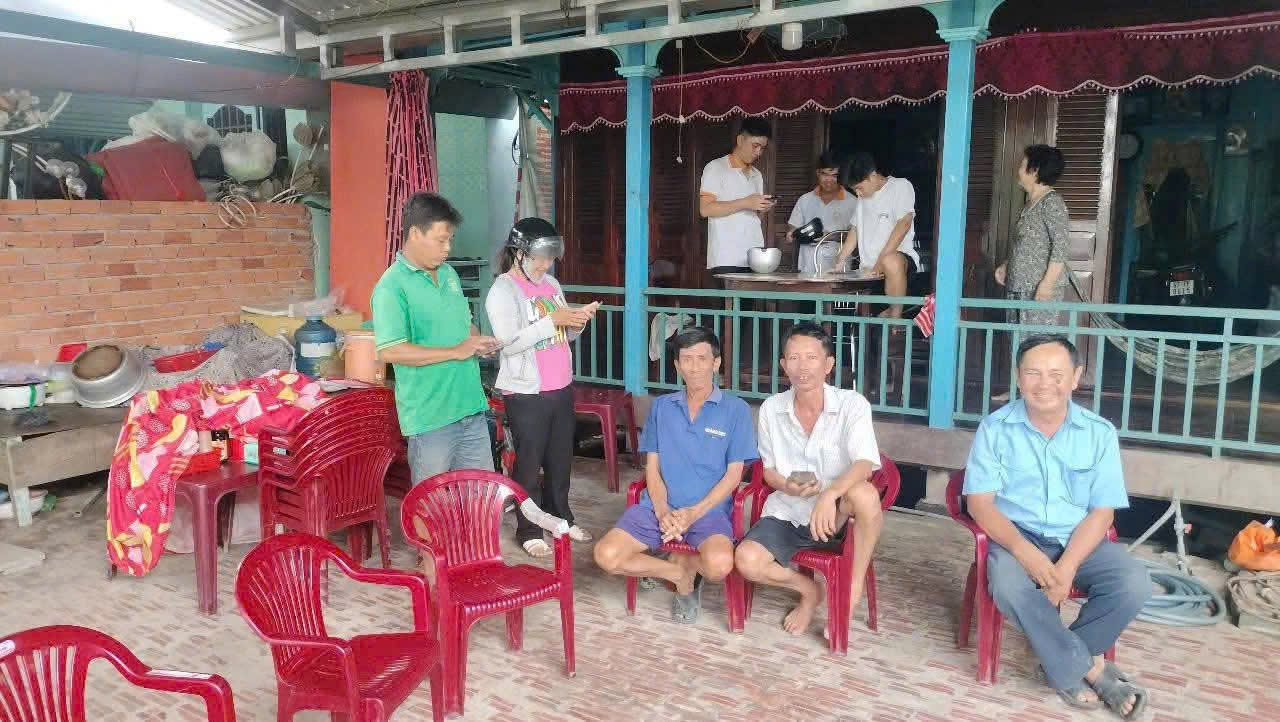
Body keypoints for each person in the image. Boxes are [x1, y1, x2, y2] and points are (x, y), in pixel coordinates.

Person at [963, 334, 1150, 719]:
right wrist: (1024, 552)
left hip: (1078, 540)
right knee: (1009, 586)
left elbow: (1102, 513)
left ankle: (1061, 662)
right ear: (1019, 378)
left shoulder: (1099, 433)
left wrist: (1066, 568)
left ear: (1076, 377)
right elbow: (979, 503)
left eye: (1056, 374)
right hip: (1016, 537)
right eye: (1033, 373)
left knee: (1134, 582)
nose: (1044, 384)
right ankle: (1091, 669)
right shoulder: (995, 429)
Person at [594, 327, 756, 624]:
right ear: (677, 366)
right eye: (687, 360)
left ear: (716, 363)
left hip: (708, 511)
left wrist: (694, 513)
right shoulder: (662, 407)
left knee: (719, 565)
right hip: (658, 508)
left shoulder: (736, 410)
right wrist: (661, 509)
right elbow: (652, 468)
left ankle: (683, 562)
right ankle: (680, 575)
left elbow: (734, 476)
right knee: (606, 555)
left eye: (702, 359)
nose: (694, 367)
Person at [734, 323, 885, 636]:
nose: (802, 367)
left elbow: (865, 464)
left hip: (837, 514)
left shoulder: (852, 404)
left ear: (828, 364)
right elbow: (769, 471)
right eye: (794, 358)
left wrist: (830, 495)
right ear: (783, 365)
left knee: (865, 495)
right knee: (747, 561)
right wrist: (787, 486)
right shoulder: (771, 409)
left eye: (811, 358)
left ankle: (851, 589)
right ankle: (810, 591)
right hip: (789, 511)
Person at [485, 217, 597, 557]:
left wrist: (577, 322)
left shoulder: (551, 284)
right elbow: (508, 344)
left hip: (560, 385)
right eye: (539, 258)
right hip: (526, 392)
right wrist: (553, 321)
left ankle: (561, 518)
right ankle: (529, 529)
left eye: (550, 258)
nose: (545, 265)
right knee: (529, 464)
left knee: (560, 459)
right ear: (519, 253)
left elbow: (561, 335)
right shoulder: (503, 290)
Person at [372, 192, 500, 487]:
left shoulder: (449, 274)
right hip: (431, 420)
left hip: (471, 408)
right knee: (432, 504)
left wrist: (477, 342)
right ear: (415, 234)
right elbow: (391, 350)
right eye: (441, 240)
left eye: (450, 240)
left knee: (479, 499)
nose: (448, 248)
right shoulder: (391, 286)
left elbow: (463, 326)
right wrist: (456, 351)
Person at [834, 152, 919, 319]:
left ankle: (895, 318)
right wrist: (840, 260)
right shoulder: (863, 198)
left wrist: (880, 262)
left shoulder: (900, 186)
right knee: (871, 320)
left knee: (890, 261)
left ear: (872, 176)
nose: (857, 193)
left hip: (899, 267)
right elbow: (855, 229)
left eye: (859, 188)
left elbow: (904, 223)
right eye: (854, 190)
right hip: (870, 272)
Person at [994, 144, 1072, 326]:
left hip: (1037, 291)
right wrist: (1007, 265)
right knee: (1016, 341)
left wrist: (1047, 284)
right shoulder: (1030, 204)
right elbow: (1026, 245)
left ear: (1035, 170)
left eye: (1023, 165)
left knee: (1036, 341)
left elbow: (1061, 248)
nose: (1019, 170)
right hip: (1018, 287)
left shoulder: (1052, 203)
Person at [699, 117, 776, 276]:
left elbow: (753, 217)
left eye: (762, 148)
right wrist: (746, 202)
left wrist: (762, 209)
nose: (758, 152)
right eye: (755, 146)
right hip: (726, 257)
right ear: (740, 140)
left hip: (754, 255)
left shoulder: (757, 175)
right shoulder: (716, 168)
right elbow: (705, 209)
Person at [787, 150, 859, 275]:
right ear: (817, 173)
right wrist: (792, 233)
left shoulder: (853, 202)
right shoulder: (805, 200)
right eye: (825, 174)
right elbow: (793, 226)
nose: (829, 180)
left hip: (838, 268)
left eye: (834, 175)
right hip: (808, 265)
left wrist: (828, 236)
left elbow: (857, 235)